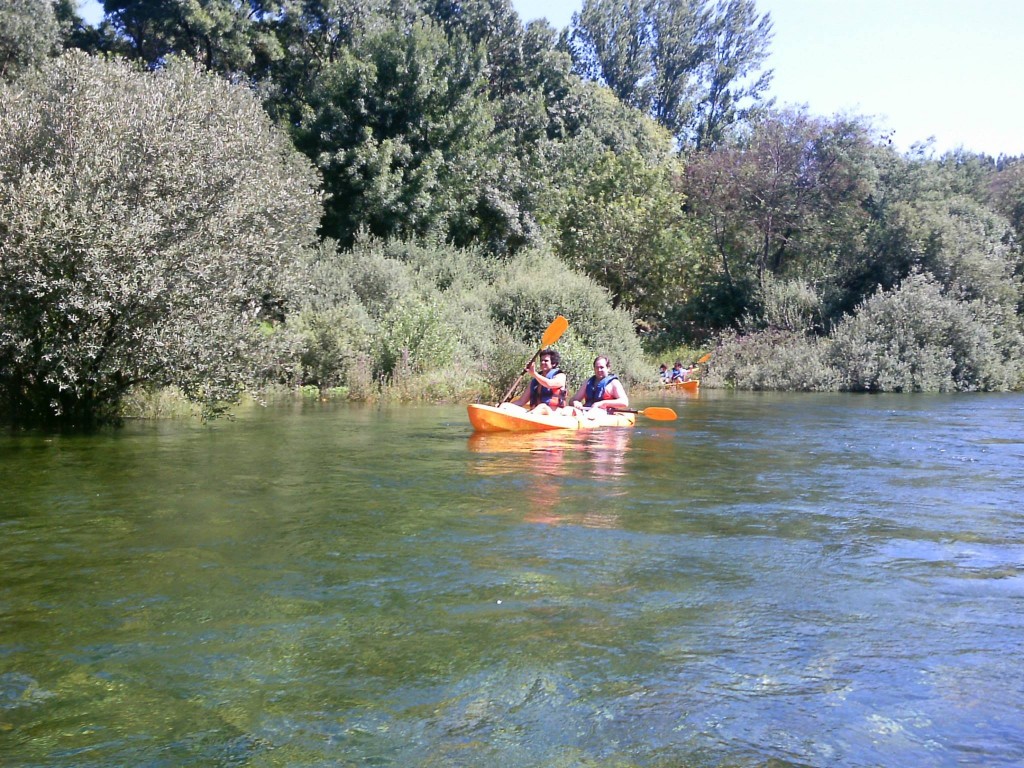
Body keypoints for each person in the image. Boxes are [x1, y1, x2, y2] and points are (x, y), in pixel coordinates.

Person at [509, 348, 567, 415]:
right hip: (534, 412)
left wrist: (534, 374)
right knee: (506, 406)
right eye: (541, 360)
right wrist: (504, 407)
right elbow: (521, 401)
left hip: (552, 413)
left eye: (546, 361)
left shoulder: (560, 376)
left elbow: (549, 384)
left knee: (542, 407)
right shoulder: (535, 381)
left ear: (553, 364)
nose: (542, 362)